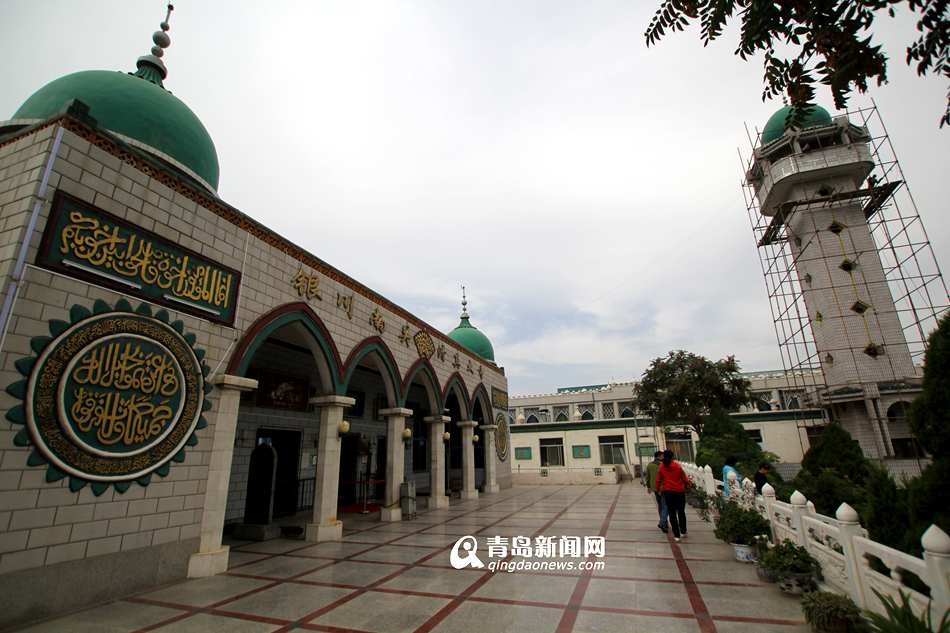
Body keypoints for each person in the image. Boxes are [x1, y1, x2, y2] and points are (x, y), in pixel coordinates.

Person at [656, 449, 689, 542]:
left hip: (668, 492)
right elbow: (684, 478)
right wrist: (688, 484)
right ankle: (683, 531)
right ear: (672, 457)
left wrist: (658, 489)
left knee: (672, 513)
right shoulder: (677, 466)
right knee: (681, 512)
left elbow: (658, 480)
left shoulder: (661, 467)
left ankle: (676, 535)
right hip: (679, 492)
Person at [645, 451, 669, 533]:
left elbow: (647, 477)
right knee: (665, 505)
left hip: (655, 488)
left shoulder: (650, 465)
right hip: (663, 488)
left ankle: (663, 522)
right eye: (662, 456)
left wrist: (648, 487)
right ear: (659, 456)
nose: (663, 457)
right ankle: (663, 522)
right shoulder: (663, 465)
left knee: (660, 505)